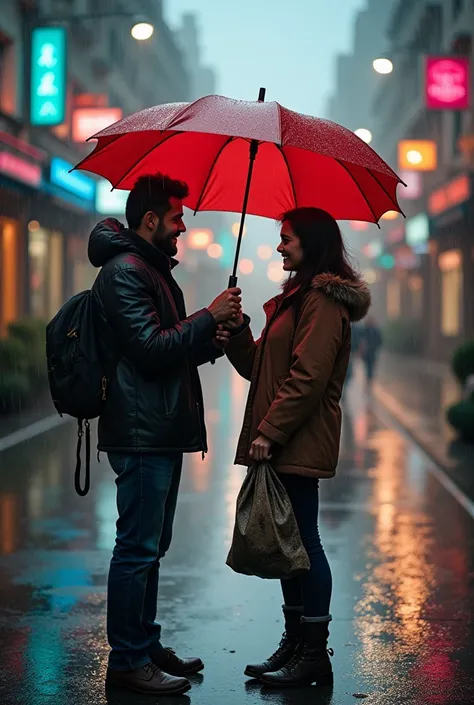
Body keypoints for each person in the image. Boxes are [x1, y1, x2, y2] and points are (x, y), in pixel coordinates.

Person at [88, 173, 240, 696]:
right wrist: (206, 317)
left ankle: (145, 644)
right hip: (141, 431)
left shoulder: (150, 269)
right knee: (136, 549)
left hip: (158, 429)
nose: (182, 229)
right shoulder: (125, 272)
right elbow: (150, 350)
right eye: (177, 218)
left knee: (152, 546)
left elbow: (170, 349)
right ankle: (128, 660)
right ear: (150, 220)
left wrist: (211, 337)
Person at [225, 207, 371, 688]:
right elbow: (262, 369)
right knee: (290, 545)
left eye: (286, 238)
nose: (279, 246)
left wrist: (270, 431)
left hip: (298, 437)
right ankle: (294, 643)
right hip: (286, 437)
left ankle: (313, 654)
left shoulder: (323, 300)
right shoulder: (293, 298)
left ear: (311, 242)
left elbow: (307, 378)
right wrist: (238, 330)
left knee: (305, 542)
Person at [361, 316, 383, 386]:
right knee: (367, 366)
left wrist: (375, 347)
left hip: (372, 352)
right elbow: (362, 340)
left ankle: (370, 379)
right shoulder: (365, 330)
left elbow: (380, 341)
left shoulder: (376, 330)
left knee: (371, 366)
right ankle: (368, 379)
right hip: (366, 353)